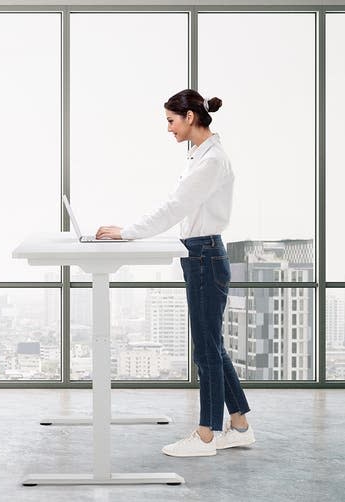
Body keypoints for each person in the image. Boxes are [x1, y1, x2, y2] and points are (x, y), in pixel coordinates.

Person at [96, 89, 255, 458]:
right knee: (213, 346)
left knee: (207, 351)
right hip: (199, 255)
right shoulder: (200, 156)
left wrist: (128, 231)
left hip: (205, 257)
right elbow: (181, 209)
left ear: (189, 117)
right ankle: (240, 426)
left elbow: (175, 207)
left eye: (171, 121)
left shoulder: (212, 161)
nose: (168, 128)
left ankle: (206, 435)